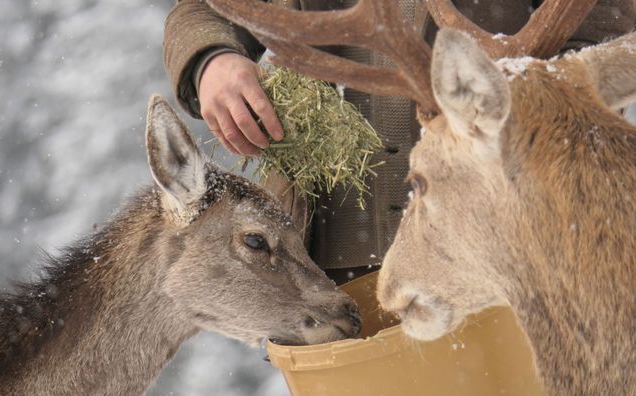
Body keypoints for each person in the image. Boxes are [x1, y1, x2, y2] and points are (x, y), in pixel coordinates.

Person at [164, 0, 635, 284]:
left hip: (496, 253)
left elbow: (607, 39)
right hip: (321, 271)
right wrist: (213, 60)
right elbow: (203, 10)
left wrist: (526, 98)